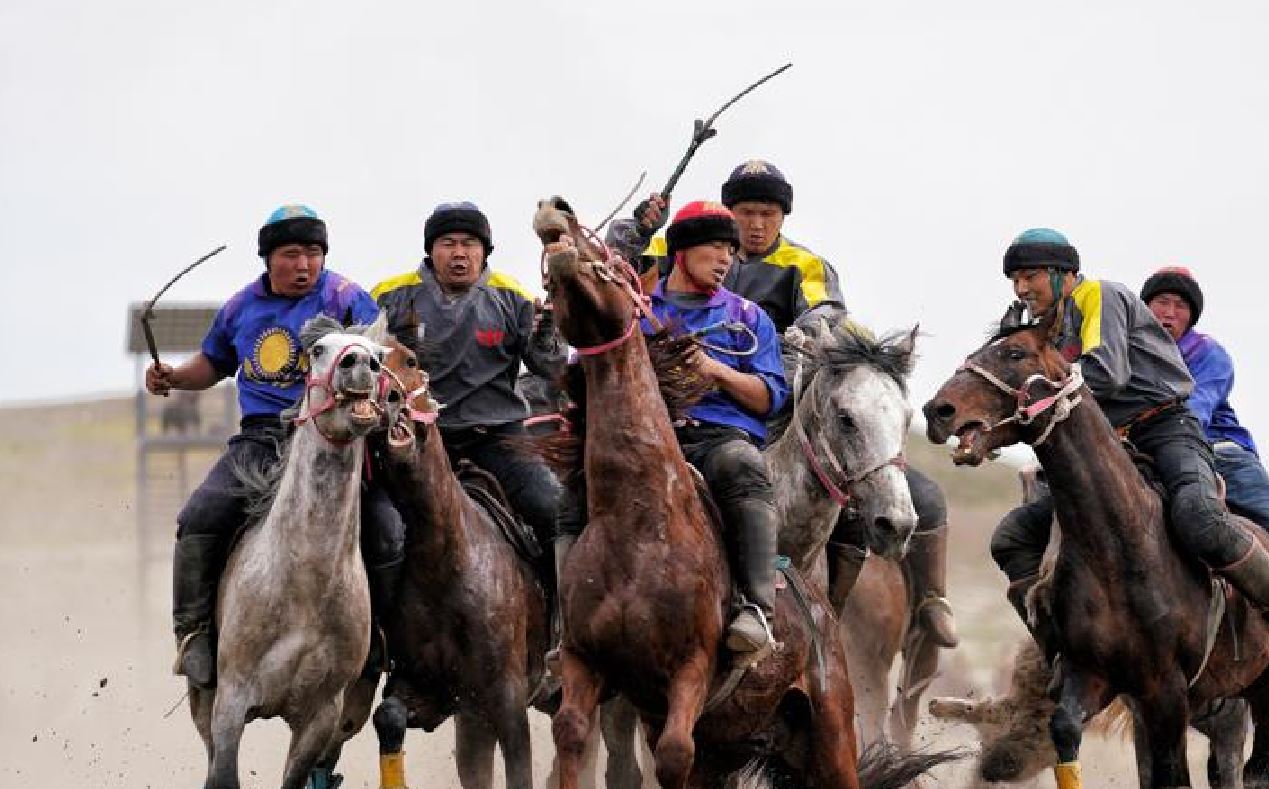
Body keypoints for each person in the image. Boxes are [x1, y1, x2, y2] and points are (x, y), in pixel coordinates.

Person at [607, 160, 960, 648]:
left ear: (782, 217)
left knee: (868, 487)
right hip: (680, 406)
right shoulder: (680, 245)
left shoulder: (804, 265)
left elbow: (828, 321)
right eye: (746, 212)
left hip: (785, 402)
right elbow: (618, 271)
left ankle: (838, 613)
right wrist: (638, 229)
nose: (755, 225)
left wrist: (808, 342)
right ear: (727, 213)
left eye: (767, 213)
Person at [985, 229, 1269, 662]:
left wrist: (1030, 400)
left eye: (1030, 275)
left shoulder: (1098, 296)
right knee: (1014, 536)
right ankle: (1058, 648)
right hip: (1115, 441)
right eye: (1015, 279)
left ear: (1065, 275)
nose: (1021, 287)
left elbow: (1104, 373)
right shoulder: (1053, 326)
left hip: (1171, 428)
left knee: (1199, 517)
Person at [148, 205, 402, 689]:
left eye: (313, 253)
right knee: (199, 517)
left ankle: (381, 642)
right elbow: (214, 362)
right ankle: (194, 634)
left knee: (388, 528)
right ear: (268, 258)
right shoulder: (241, 307)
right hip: (262, 437)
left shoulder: (348, 298)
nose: (304, 264)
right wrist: (176, 377)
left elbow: (376, 353)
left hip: (336, 441)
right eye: (291, 255)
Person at [560, 200, 789, 652]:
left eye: (731, 250)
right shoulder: (636, 309)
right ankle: (566, 626)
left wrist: (716, 371)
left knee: (744, 466)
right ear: (682, 250)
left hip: (716, 439)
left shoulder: (749, 317)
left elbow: (771, 398)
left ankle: (757, 607)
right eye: (716, 247)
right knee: (572, 491)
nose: (727, 259)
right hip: (639, 439)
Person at [371, 201, 567, 614]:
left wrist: (549, 326)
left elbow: (550, 368)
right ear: (431, 251)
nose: (459, 254)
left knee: (554, 507)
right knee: (376, 522)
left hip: (498, 436)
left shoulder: (513, 297)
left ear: (484, 252)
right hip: (416, 438)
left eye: (469, 244)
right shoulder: (388, 296)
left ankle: (565, 621)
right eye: (448, 244)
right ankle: (377, 634)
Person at [1139, 266, 1269, 602]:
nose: (1170, 313)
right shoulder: (1127, 351)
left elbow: (1195, 411)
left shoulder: (1207, 353)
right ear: (1144, 306)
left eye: (1181, 306)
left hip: (1220, 450)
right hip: (1146, 447)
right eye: (1162, 302)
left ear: (1191, 318)